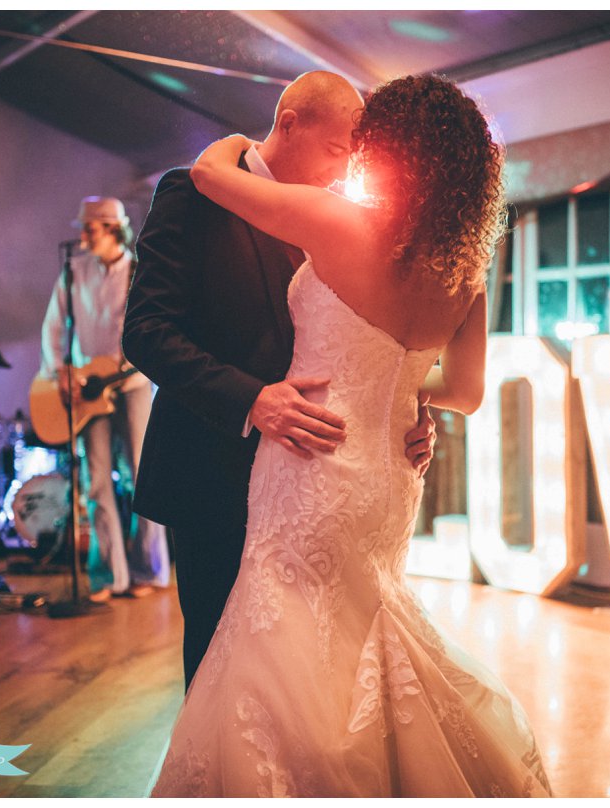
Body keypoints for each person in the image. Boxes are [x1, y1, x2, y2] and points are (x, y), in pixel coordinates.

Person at [147, 75, 551, 797]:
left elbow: (212, 170)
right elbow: (462, 392)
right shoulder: (466, 271)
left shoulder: (338, 224)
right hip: (376, 480)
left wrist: (237, 140)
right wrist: (394, 401)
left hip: (314, 471)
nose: (351, 162)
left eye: (364, 147)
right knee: (366, 641)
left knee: (279, 658)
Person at [122, 71, 436, 691]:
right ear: (291, 123)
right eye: (336, 149)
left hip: (308, 487)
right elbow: (147, 331)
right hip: (214, 470)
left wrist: (407, 411)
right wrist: (251, 399)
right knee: (219, 669)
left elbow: (362, 343)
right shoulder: (193, 194)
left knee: (298, 678)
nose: (342, 169)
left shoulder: (333, 220)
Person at [39, 196, 169, 601]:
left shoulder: (138, 271)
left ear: (112, 229)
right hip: (86, 390)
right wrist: (62, 371)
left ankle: (148, 569)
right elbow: (54, 327)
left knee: (143, 477)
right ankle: (108, 576)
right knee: (96, 483)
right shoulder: (73, 272)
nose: (82, 235)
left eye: (89, 228)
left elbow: (155, 325)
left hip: (131, 385)